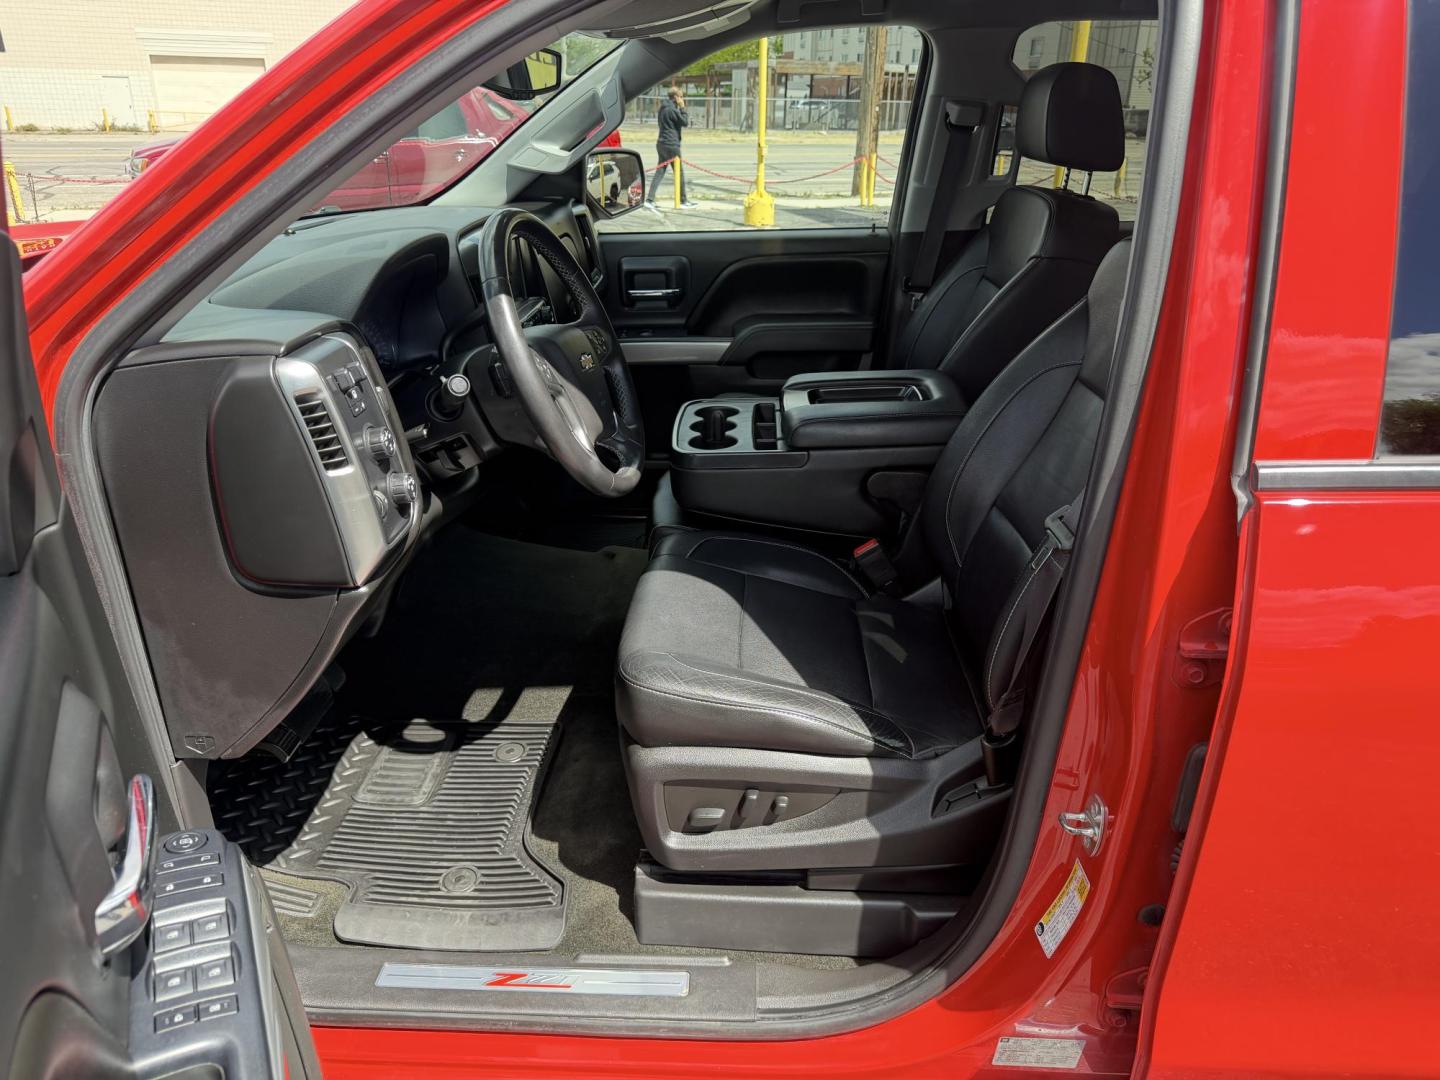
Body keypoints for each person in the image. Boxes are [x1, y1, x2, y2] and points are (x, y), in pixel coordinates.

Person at [648, 87, 698, 208]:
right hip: (671, 144)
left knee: (660, 171)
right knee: (679, 172)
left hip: (661, 143)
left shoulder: (662, 108)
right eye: (680, 96)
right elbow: (685, 122)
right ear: (675, 97)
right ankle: (683, 200)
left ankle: (649, 199)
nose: (682, 99)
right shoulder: (672, 110)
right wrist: (682, 107)